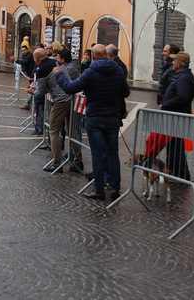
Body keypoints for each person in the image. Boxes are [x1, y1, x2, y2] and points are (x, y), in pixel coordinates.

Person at [55, 44, 130, 201]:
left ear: (94, 56)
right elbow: (126, 92)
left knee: (98, 154)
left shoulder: (91, 72)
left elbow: (70, 88)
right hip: (112, 117)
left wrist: (60, 75)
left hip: (95, 117)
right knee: (112, 153)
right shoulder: (117, 70)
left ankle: (99, 190)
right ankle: (115, 187)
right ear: (106, 55)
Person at [37, 48, 79, 172]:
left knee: (54, 130)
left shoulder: (43, 69)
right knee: (71, 131)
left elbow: (41, 92)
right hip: (70, 98)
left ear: (37, 59)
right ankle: (77, 159)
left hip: (60, 101)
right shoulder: (58, 65)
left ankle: (57, 162)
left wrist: (35, 91)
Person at [160, 52, 194, 180]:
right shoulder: (181, 75)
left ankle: (181, 174)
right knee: (174, 146)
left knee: (176, 147)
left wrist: (166, 104)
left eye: (175, 61)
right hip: (176, 115)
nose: (172, 63)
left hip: (178, 116)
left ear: (180, 63)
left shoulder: (184, 77)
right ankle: (176, 172)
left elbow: (183, 97)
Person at [29, 48, 57, 136]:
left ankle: (40, 129)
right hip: (52, 93)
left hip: (44, 93)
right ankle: (42, 129)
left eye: (34, 58)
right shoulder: (53, 62)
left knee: (41, 110)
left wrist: (33, 89)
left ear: (38, 58)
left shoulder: (42, 67)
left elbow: (37, 78)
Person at [106, 44, 129, 119]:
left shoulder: (116, 66)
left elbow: (124, 90)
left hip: (114, 106)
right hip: (116, 106)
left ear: (110, 55)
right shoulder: (121, 65)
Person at [16, 44, 35, 111]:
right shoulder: (24, 55)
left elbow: (25, 62)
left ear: (27, 49)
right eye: (22, 50)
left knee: (31, 89)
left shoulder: (30, 55)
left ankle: (28, 104)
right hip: (29, 74)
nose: (23, 52)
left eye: (24, 50)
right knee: (31, 89)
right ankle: (28, 104)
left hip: (32, 75)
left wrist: (17, 60)